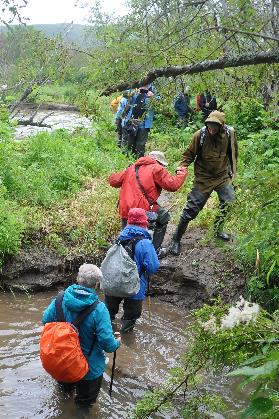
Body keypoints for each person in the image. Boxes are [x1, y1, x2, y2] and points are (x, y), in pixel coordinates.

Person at [42, 263, 121, 407]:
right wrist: (118, 342)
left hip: (63, 362)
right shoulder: (99, 309)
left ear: (78, 278)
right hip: (89, 370)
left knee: (63, 397)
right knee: (84, 406)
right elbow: (108, 345)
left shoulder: (59, 300)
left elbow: (45, 321)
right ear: (97, 285)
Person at [169, 111, 238, 256]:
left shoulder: (229, 134)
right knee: (191, 210)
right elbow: (188, 155)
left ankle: (218, 229)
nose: (211, 129)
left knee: (229, 201)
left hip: (222, 176)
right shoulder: (199, 135)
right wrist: (181, 168)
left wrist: (234, 177)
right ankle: (175, 239)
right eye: (209, 126)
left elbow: (233, 155)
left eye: (215, 126)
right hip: (203, 178)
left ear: (221, 126)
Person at [108, 151, 187, 258]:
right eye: (163, 164)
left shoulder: (132, 167)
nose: (163, 166)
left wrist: (124, 170)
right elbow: (173, 185)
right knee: (163, 218)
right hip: (142, 208)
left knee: (126, 234)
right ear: (158, 162)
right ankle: (154, 251)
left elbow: (113, 181)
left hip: (125, 208)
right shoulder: (157, 168)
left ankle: (121, 257)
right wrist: (181, 173)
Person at [104, 208, 160, 333]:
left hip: (113, 283)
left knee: (108, 313)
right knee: (130, 317)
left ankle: (106, 335)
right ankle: (126, 339)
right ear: (144, 223)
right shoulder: (145, 243)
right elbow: (153, 267)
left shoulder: (119, 238)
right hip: (135, 288)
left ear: (128, 222)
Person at [121, 84, 158, 158]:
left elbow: (159, 101)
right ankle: (126, 161)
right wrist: (134, 91)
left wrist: (152, 97)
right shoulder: (136, 86)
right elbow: (125, 94)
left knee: (140, 145)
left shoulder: (153, 89)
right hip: (131, 121)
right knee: (129, 143)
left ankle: (139, 163)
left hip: (144, 124)